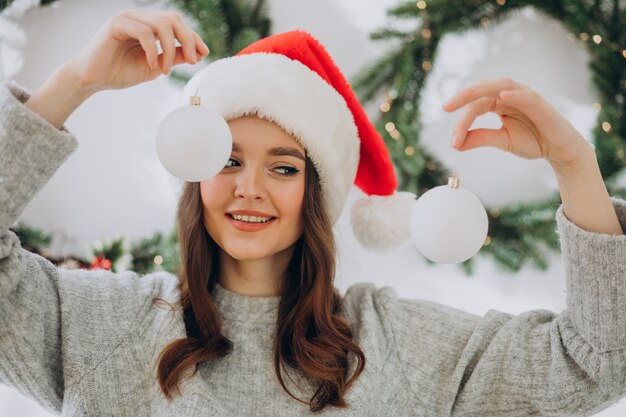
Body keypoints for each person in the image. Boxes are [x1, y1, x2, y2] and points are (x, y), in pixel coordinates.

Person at [1, 9, 625, 417]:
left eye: (283, 167)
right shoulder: (101, 324)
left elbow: (596, 361)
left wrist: (573, 163)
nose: (250, 189)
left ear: (317, 191)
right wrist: (74, 83)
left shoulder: (393, 345)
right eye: (226, 160)